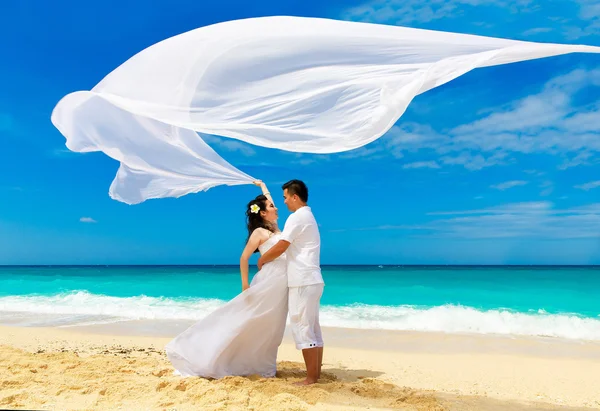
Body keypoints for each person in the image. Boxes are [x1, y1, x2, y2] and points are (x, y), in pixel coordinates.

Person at [165, 181, 289, 378]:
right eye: (272, 206)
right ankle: (214, 356)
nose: (276, 207)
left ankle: (261, 365)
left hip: (282, 283)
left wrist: (262, 186)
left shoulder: (275, 229)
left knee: (272, 326)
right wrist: (245, 285)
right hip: (269, 281)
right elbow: (244, 258)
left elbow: (269, 201)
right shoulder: (260, 232)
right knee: (251, 321)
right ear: (263, 213)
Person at [258, 179, 324, 385]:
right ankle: (315, 374)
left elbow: (282, 246)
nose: (284, 202)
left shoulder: (297, 217)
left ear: (295, 197)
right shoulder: (308, 216)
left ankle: (311, 378)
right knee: (313, 328)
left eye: (285, 197)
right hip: (312, 279)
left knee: (302, 326)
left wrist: (262, 259)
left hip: (302, 279)